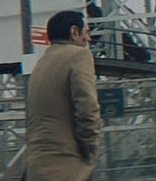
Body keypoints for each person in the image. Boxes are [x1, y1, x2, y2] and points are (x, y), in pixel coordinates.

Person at [25, 10, 102, 181]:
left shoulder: (41, 63)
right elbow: (87, 108)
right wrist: (90, 150)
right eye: (86, 32)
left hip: (37, 167)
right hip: (66, 165)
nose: (88, 39)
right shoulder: (79, 55)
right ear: (74, 32)